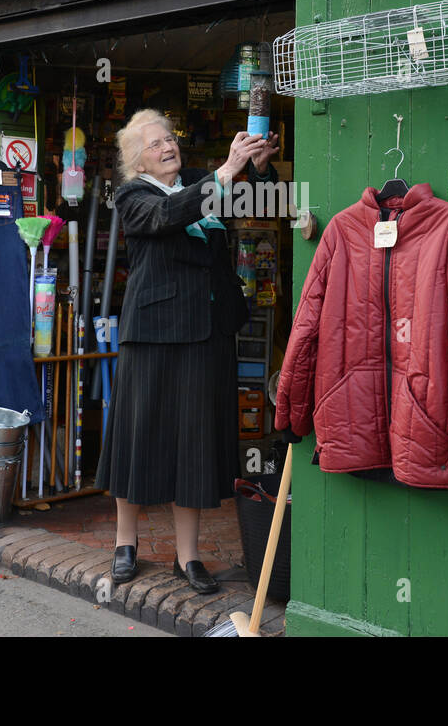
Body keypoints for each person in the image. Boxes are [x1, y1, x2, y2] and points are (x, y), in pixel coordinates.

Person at [97, 109, 278, 593]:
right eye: (155, 144)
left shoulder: (200, 180)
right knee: (140, 436)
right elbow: (164, 218)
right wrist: (223, 173)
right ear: (137, 161)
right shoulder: (133, 195)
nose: (168, 146)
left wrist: (256, 166)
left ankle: (188, 557)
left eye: (170, 138)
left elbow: (261, 199)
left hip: (207, 331)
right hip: (153, 331)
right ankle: (125, 543)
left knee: (194, 443)